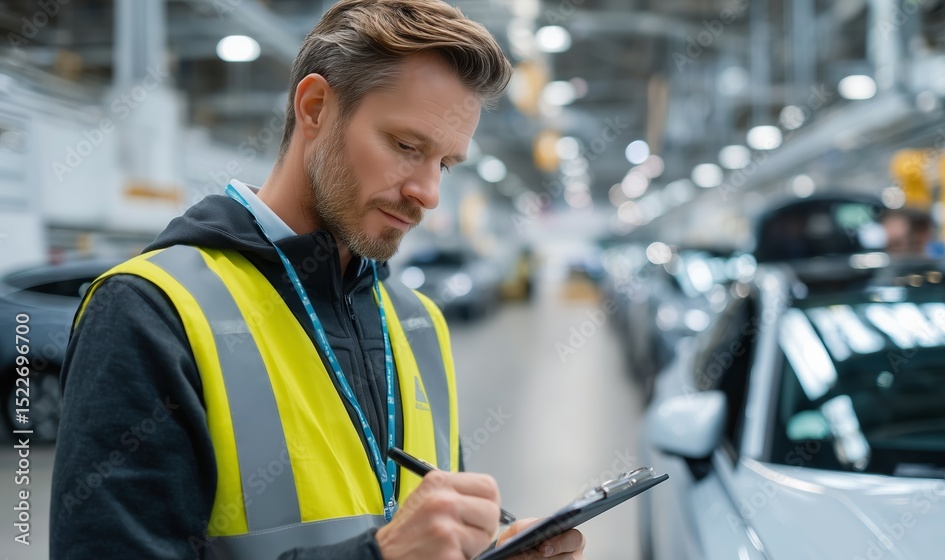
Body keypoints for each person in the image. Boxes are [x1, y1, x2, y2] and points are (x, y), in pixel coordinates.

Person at [49, 1, 586, 558]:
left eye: (445, 164)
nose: (428, 192)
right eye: (406, 147)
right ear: (315, 107)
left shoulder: (419, 324)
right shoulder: (151, 312)